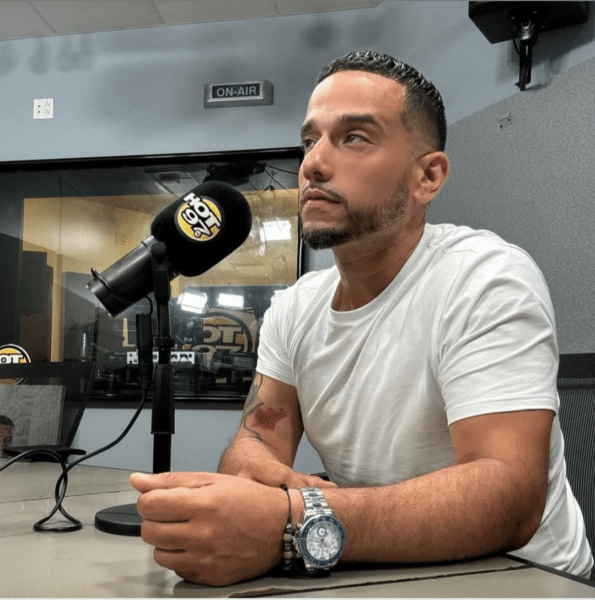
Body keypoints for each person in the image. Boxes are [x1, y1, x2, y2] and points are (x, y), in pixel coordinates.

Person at [131, 51, 594, 586]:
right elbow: (252, 443)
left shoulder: (487, 279)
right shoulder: (297, 306)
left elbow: (509, 495)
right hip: (377, 571)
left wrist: (294, 517)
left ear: (428, 176)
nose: (313, 164)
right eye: (310, 140)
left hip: (527, 580)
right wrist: (269, 479)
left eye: (353, 137)